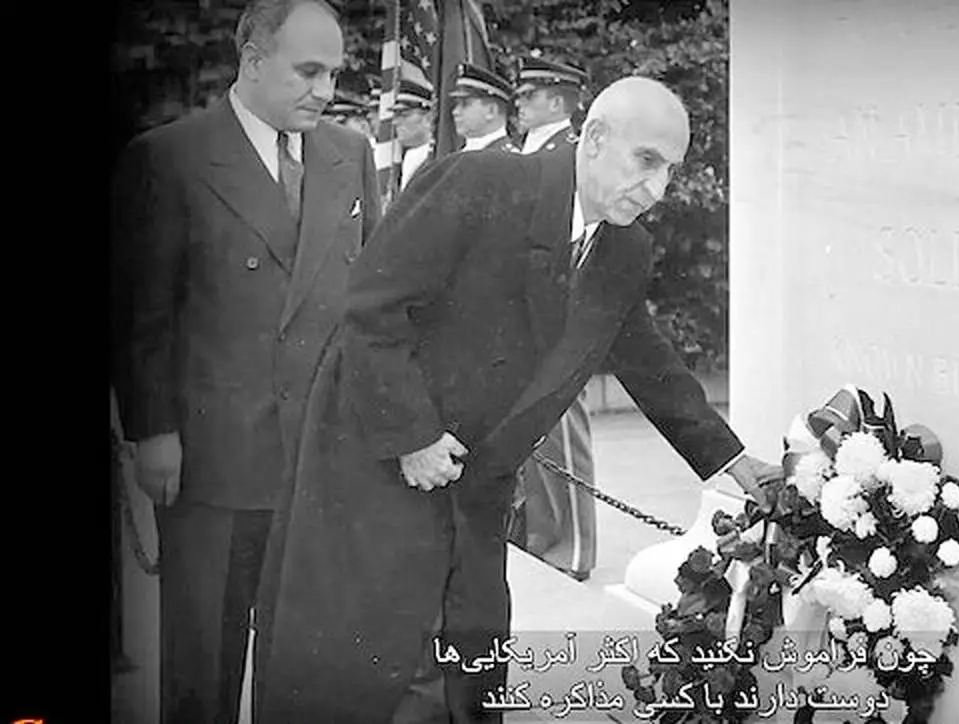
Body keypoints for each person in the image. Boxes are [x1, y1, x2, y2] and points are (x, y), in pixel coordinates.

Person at [255, 75, 778, 723]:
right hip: (376, 466)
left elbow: (648, 361)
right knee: (363, 671)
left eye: (671, 170)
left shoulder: (624, 248)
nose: (658, 189)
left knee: (469, 671)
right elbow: (370, 310)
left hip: (476, 492)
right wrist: (413, 436)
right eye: (646, 161)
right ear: (594, 139)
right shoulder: (480, 182)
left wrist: (731, 462)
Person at [108, 1, 381, 721]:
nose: (325, 91)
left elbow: (371, 303)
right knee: (204, 662)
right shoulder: (170, 157)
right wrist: (153, 431)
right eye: (308, 71)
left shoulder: (348, 153)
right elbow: (142, 313)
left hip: (320, 458)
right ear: (253, 61)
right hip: (215, 460)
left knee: (306, 666)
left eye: (334, 74)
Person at [509, 56, 599, 580]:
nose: (519, 103)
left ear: (559, 100)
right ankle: (543, 535)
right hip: (521, 316)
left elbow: (580, 244)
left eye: (530, 94)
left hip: (557, 320)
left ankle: (575, 548)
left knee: (563, 437)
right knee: (533, 440)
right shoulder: (531, 153)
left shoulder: (572, 153)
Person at [514, 56, 587, 155]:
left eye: (529, 96)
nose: (518, 103)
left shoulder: (566, 152)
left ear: (556, 103)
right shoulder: (531, 142)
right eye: (520, 95)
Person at [448, 62, 519, 153]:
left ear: (491, 111)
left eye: (465, 104)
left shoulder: (508, 157)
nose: (455, 112)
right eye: (456, 104)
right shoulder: (462, 154)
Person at [391, 78, 435, 193]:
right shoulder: (408, 156)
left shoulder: (436, 158)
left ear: (428, 118)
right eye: (396, 115)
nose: (395, 122)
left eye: (404, 115)